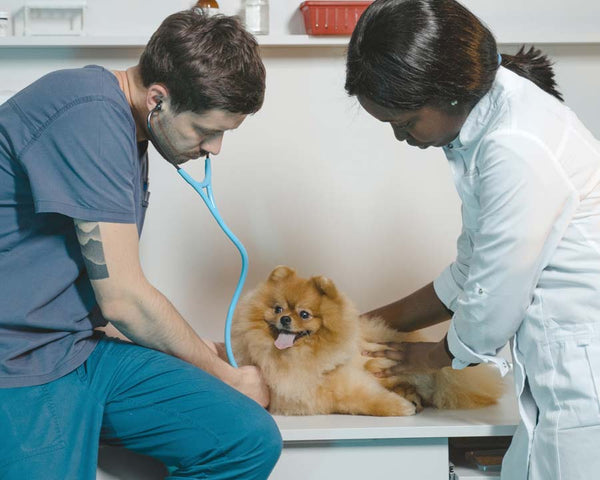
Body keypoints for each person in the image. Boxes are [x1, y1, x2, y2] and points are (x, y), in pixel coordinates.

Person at [0, 10, 282, 480]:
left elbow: (85, 286)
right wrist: (231, 378)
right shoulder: (88, 117)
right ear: (158, 99)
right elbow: (124, 298)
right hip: (19, 361)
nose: (214, 149)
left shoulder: (126, 127)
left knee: (246, 439)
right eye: (205, 130)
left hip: (81, 349)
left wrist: (199, 352)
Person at [346, 0, 600, 479]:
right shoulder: (488, 129)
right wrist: (361, 325)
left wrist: (431, 357)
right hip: (560, 381)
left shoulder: (515, 145)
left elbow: (495, 295)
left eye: (404, 122)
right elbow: (469, 273)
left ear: (448, 95)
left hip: (584, 383)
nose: (402, 138)